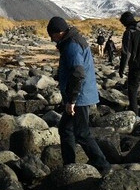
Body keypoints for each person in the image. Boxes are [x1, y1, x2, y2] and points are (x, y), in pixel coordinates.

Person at [46, 17, 111, 174]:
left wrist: (72, 100)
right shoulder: (73, 40)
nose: (51, 39)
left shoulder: (71, 45)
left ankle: (103, 166)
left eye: (52, 35)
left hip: (80, 96)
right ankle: (69, 165)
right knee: (65, 129)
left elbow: (78, 72)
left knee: (81, 133)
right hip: (81, 94)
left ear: (59, 33)